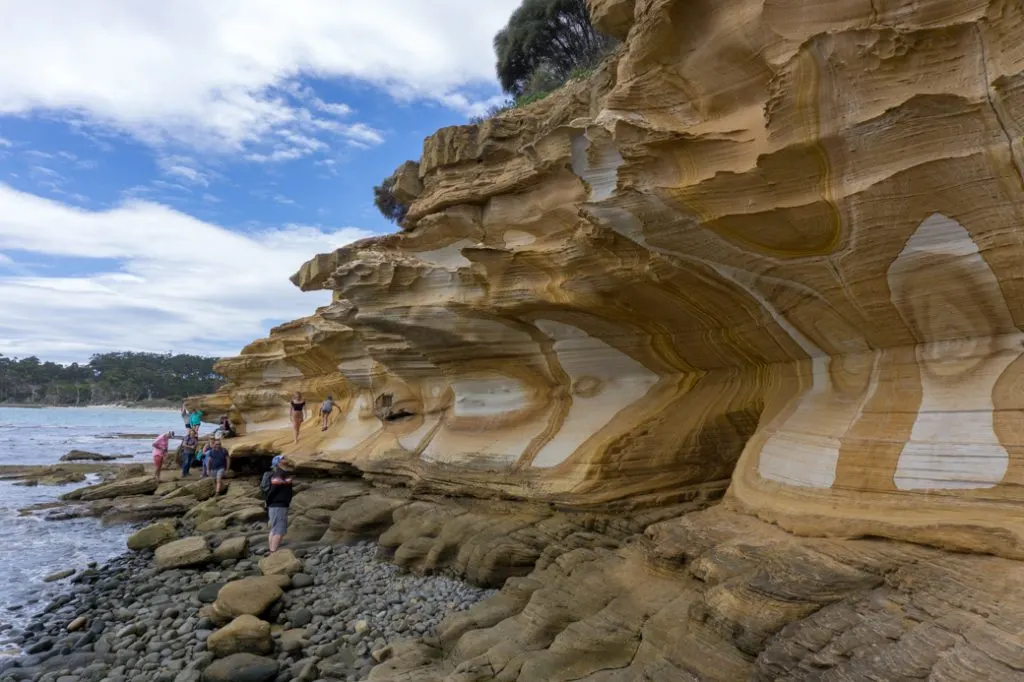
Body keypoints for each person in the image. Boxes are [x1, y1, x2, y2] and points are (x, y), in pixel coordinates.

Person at [265, 456, 294, 552]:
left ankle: (271, 550)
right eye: (282, 458)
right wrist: (268, 501)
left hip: (277, 505)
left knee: (274, 528)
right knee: (280, 530)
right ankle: (273, 552)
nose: (285, 459)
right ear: (278, 462)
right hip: (278, 505)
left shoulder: (282, 473)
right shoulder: (279, 473)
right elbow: (274, 490)